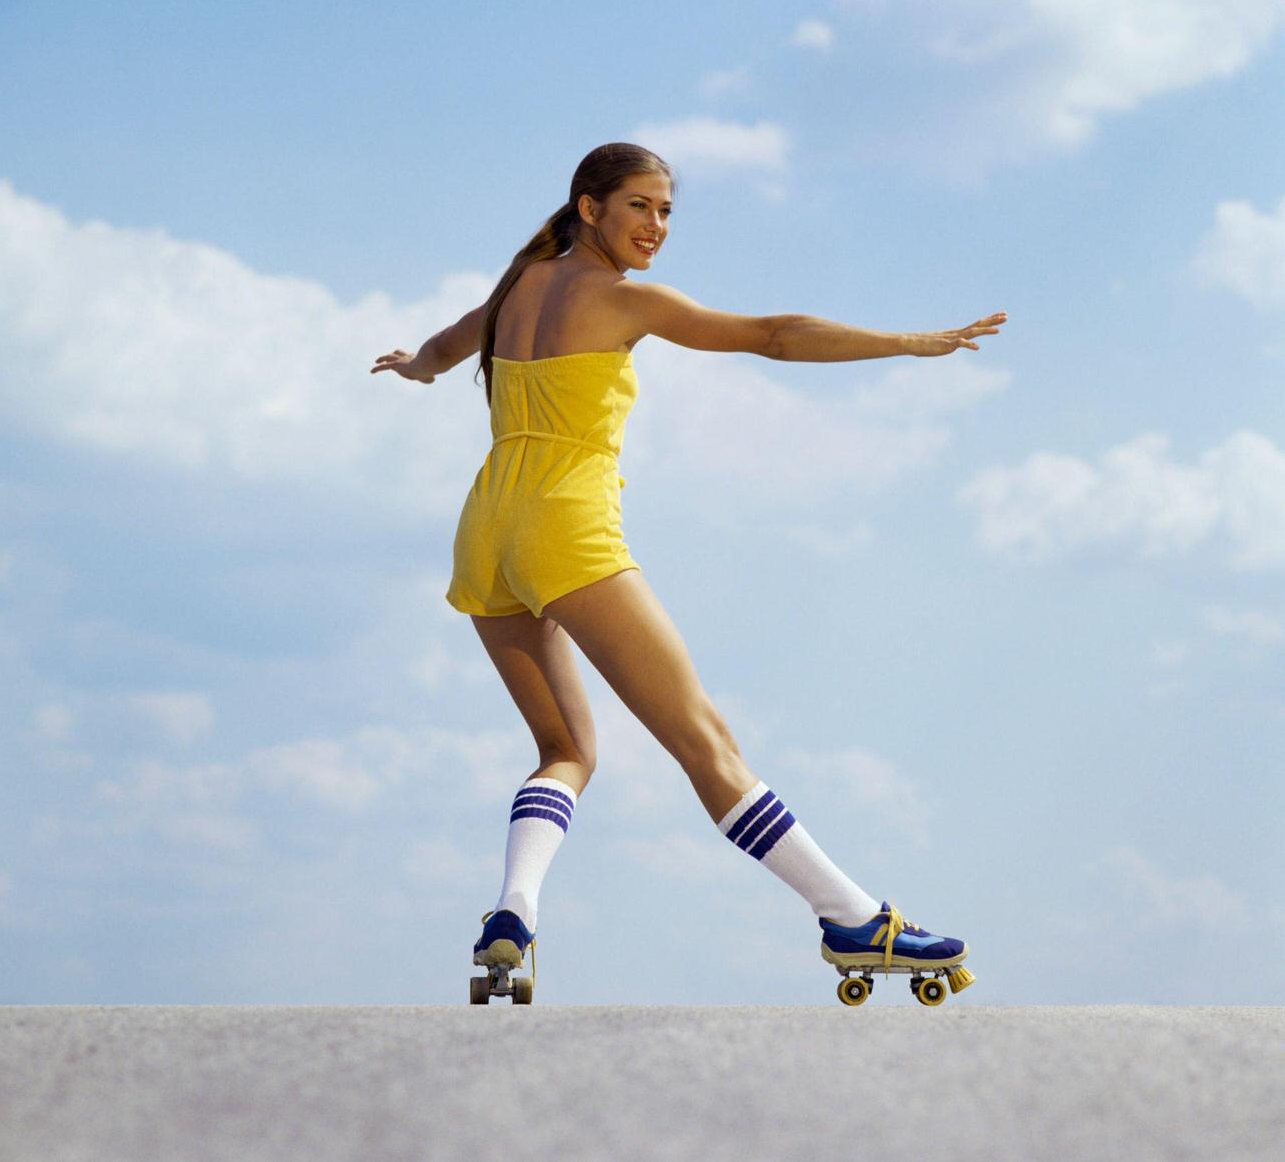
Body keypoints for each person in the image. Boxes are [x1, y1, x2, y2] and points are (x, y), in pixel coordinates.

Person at [371, 142, 1006, 1000]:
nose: (657, 226)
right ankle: (854, 919)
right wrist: (904, 342)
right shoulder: (624, 302)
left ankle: (512, 913)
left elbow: (451, 342)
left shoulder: (521, 283)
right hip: (565, 528)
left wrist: (417, 365)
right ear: (589, 207)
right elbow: (773, 338)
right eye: (639, 206)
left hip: (487, 527)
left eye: (667, 210)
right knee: (705, 741)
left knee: (564, 750)